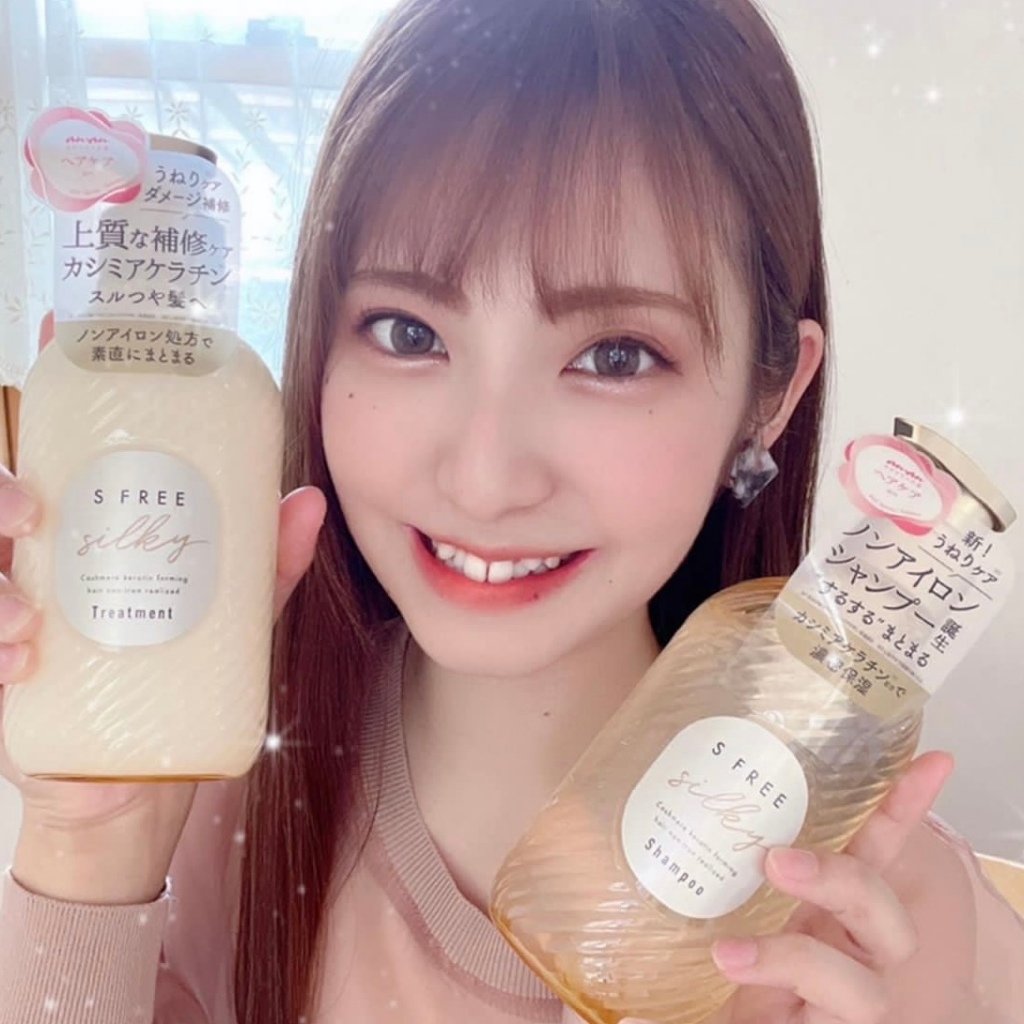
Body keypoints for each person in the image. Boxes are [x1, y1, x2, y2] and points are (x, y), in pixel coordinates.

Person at [1, 0, 1022, 1021]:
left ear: (771, 395)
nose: (484, 479)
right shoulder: (207, 799)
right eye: (406, 332)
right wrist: (92, 848)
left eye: (615, 356)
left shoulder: (891, 930)